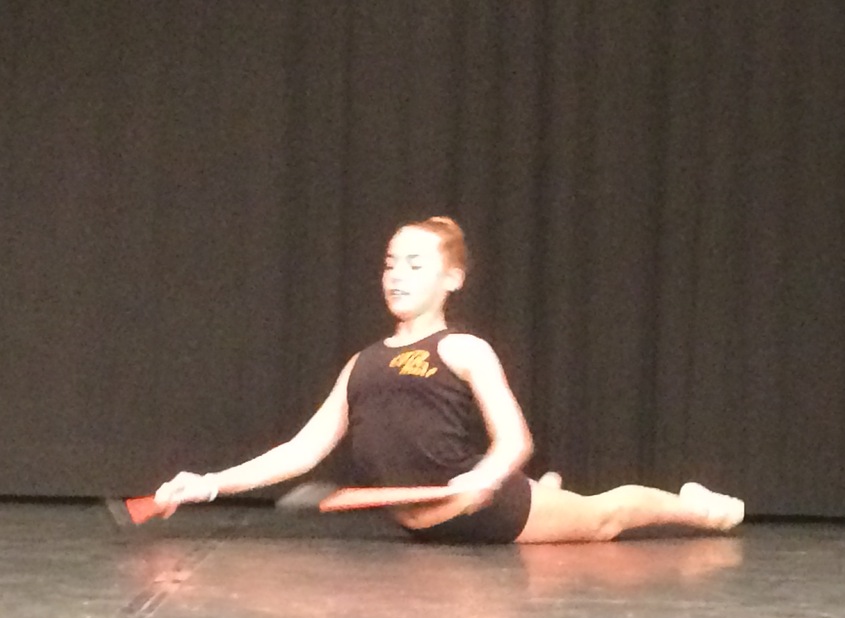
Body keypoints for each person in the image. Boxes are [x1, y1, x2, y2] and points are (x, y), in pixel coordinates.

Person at [154, 216, 744, 544]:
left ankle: (699, 510)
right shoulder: (362, 363)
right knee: (564, 506)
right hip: (423, 525)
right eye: (390, 263)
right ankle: (549, 491)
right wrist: (209, 484)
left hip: (486, 512)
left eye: (416, 264)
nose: (397, 275)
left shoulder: (463, 349)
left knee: (602, 520)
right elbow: (301, 450)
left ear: (453, 280)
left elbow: (514, 440)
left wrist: (487, 478)